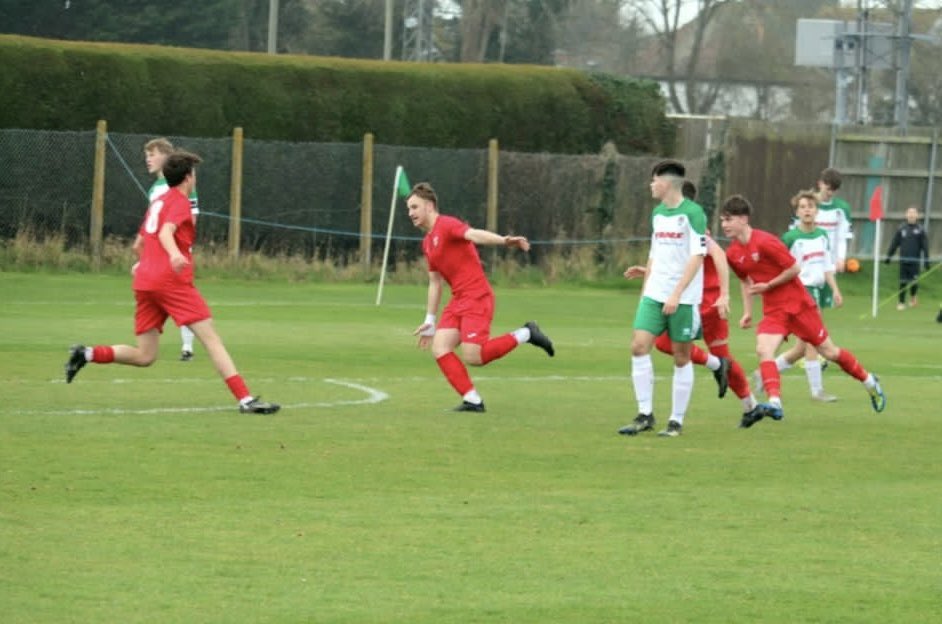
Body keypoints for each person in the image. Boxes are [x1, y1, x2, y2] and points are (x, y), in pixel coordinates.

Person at [65, 150, 280, 415]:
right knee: (211, 339)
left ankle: (85, 354)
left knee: (145, 356)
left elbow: (139, 244)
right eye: (195, 174)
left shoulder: (157, 202)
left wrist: (145, 263)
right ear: (188, 177)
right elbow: (167, 232)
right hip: (170, 281)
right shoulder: (180, 202)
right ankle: (245, 399)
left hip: (146, 281)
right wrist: (175, 255)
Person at [720, 194, 885, 427]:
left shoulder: (766, 241)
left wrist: (769, 285)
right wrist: (747, 311)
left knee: (830, 352)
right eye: (722, 221)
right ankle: (775, 402)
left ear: (743, 219)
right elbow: (746, 281)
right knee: (763, 350)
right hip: (774, 311)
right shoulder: (733, 253)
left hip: (799, 306)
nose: (724, 225)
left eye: (728, 219)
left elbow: (794, 269)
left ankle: (870, 383)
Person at [623, 180, 765, 428]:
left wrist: (724, 294)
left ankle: (742, 397)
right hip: (698, 303)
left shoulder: (695, 225)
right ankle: (747, 401)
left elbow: (717, 255)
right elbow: (677, 262)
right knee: (681, 348)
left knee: (679, 347)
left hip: (704, 305)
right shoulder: (672, 224)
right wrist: (648, 271)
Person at [407, 182, 554, 412]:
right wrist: (429, 320)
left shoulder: (447, 225)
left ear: (429, 206)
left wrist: (504, 240)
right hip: (458, 300)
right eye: (409, 209)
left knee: (474, 357)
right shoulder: (427, 243)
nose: (411, 213)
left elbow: (473, 234)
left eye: (414, 207)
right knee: (440, 347)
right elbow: (435, 283)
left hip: (477, 296)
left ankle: (527, 333)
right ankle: (473, 400)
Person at [618, 160, 707, 438]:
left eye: (654, 180)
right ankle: (645, 414)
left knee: (681, 357)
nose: (651, 185)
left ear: (667, 183)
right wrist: (645, 292)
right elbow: (654, 255)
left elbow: (697, 256)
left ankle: (676, 420)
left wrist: (677, 293)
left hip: (683, 298)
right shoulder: (657, 213)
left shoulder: (694, 214)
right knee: (638, 346)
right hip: (655, 294)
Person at [757, 190, 843, 402]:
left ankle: (765, 372)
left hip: (818, 290)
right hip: (799, 292)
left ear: (817, 211)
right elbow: (777, 265)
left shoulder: (822, 236)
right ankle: (817, 391)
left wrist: (835, 289)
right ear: (797, 212)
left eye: (811, 206)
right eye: (803, 207)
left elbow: (827, 266)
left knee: (801, 347)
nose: (807, 210)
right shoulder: (790, 238)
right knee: (814, 341)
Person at [145, 138, 201, 361]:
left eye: (152, 154)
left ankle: (187, 346)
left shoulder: (181, 185)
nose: (148, 159)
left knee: (183, 297)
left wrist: (177, 249)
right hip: (159, 254)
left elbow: (191, 217)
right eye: (147, 155)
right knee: (167, 298)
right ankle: (148, 347)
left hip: (175, 252)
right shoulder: (154, 188)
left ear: (166, 158)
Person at [885, 205, 929, 310]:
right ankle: (901, 302)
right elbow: (894, 243)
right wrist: (889, 256)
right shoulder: (901, 229)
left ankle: (913, 297)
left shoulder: (920, 230)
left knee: (914, 282)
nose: (911, 215)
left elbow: (925, 246)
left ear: (917, 215)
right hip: (903, 260)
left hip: (915, 261)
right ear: (906, 215)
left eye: (914, 213)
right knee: (903, 282)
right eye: (909, 212)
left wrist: (926, 261)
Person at [815, 167, 854, 274]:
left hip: (829, 261)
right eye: (828, 188)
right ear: (820, 184)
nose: (830, 193)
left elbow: (842, 238)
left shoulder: (842, 208)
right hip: (808, 260)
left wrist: (841, 258)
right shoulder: (807, 205)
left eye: (834, 190)